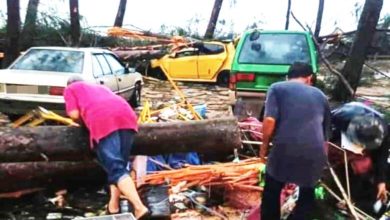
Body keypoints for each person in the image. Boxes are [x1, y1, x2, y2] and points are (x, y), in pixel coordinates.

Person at [63, 76, 149, 219]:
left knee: (115, 168)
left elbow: (74, 114)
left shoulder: (70, 89)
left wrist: (82, 123)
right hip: (127, 116)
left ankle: (139, 208)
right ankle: (113, 207)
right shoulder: (100, 87)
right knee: (118, 165)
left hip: (103, 121)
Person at [260, 62, 330, 220]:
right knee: (307, 192)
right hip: (315, 151)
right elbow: (325, 138)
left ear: (287, 77)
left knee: (272, 189)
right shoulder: (321, 95)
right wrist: (321, 162)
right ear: (309, 78)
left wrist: (263, 149)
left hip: (285, 147)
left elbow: (270, 120)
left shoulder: (276, 88)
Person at [330, 101, 389, 217]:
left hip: (358, 143)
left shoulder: (384, 133)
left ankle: (352, 196)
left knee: (363, 166)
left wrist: (381, 182)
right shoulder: (340, 118)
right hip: (339, 138)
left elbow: (382, 156)